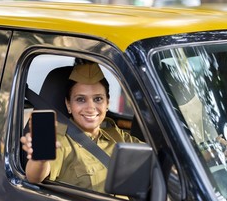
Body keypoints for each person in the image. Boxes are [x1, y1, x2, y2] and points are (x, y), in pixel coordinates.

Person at [20, 62, 142, 192]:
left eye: (98, 99)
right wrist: (40, 159)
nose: (90, 108)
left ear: (107, 103)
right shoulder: (59, 141)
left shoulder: (116, 134)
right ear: (68, 105)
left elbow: (152, 160)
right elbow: (35, 176)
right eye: (81, 99)